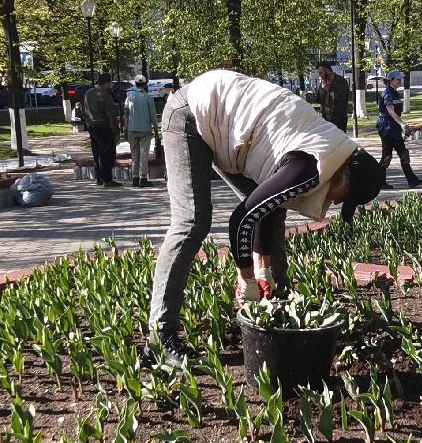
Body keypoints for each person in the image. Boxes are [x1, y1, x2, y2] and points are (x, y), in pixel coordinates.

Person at [145, 69, 385, 367]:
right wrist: (246, 278)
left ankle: (277, 311)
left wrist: (264, 268)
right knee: (193, 221)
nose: (336, 202)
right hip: (194, 114)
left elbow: (269, 207)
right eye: (343, 197)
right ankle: (160, 337)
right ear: (346, 176)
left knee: (273, 208)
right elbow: (242, 219)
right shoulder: (312, 163)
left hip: (232, 127)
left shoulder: (333, 151)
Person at [375, 70, 422, 189]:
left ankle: (412, 180)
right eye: (398, 79)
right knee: (387, 156)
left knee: (402, 153)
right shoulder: (388, 93)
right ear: (391, 80)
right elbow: (391, 112)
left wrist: (400, 124)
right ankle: (379, 182)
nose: (400, 81)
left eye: (400, 79)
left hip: (393, 127)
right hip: (386, 127)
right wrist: (402, 124)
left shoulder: (394, 92)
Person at [83, 73, 122, 187]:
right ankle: (107, 179)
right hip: (104, 128)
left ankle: (99, 177)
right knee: (107, 154)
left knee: (96, 153)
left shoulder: (88, 93)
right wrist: (116, 131)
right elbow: (112, 116)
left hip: (92, 127)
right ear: (107, 83)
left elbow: (86, 110)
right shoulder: (105, 96)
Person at [124, 75, 158, 188]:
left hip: (132, 129)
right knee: (144, 154)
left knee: (134, 155)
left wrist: (125, 128)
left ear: (135, 83)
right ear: (144, 84)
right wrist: (156, 128)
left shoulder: (129, 96)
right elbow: (153, 114)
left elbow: (126, 114)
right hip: (145, 130)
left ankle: (134, 178)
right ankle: (143, 178)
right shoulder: (148, 97)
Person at [313, 61, 350, 132]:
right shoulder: (323, 83)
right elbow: (319, 100)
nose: (319, 75)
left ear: (327, 71)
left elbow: (340, 98)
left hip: (338, 119)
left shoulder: (340, 81)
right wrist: (313, 95)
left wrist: (329, 89)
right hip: (325, 119)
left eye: (321, 73)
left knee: (338, 141)